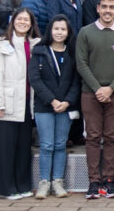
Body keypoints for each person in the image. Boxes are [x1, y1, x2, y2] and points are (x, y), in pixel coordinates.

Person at [75, 0, 114, 200]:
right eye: (104, 7)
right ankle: (93, 182)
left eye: (112, 7)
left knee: (110, 137)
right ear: (98, 8)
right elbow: (81, 63)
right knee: (92, 137)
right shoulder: (85, 32)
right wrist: (97, 88)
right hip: (90, 93)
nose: (108, 11)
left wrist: (110, 88)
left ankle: (109, 181)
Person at [0, 7, 39, 200]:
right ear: (12, 21)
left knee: (23, 147)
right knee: (6, 148)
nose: (23, 22)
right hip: (6, 103)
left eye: (27, 20)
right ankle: (7, 188)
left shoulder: (35, 45)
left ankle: (23, 185)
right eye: (20, 19)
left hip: (26, 104)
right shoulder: (1, 45)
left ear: (32, 24)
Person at [28, 15, 80, 200]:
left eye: (63, 29)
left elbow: (76, 81)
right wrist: (52, 100)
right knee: (47, 145)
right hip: (45, 106)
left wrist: (67, 101)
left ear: (68, 32)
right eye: (56, 28)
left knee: (60, 145)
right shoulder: (40, 51)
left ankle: (58, 181)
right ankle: (44, 182)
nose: (59, 32)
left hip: (66, 107)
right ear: (50, 30)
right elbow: (35, 79)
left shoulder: (72, 53)